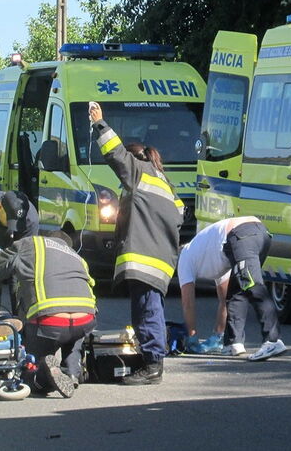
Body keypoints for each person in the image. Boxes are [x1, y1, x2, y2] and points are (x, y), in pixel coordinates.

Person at [89, 101, 183, 385]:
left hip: (145, 258)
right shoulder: (164, 182)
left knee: (147, 310)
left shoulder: (139, 172)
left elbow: (116, 155)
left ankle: (153, 365)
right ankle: (149, 358)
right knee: (147, 309)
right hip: (159, 257)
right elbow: (178, 215)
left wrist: (99, 123)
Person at [0, 231, 97, 398]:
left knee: (27, 369)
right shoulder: (78, 257)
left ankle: (42, 377)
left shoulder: (30, 244)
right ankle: (72, 371)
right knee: (74, 333)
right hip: (84, 318)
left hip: (49, 322)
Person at [178, 217, 287, 361]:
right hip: (259, 234)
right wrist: (218, 335)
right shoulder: (207, 255)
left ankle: (273, 340)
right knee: (237, 292)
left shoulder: (185, 257)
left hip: (241, 234)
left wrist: (191, 337)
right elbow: (224, 300)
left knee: (253, 285)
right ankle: (233, 343)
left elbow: (188, 304)